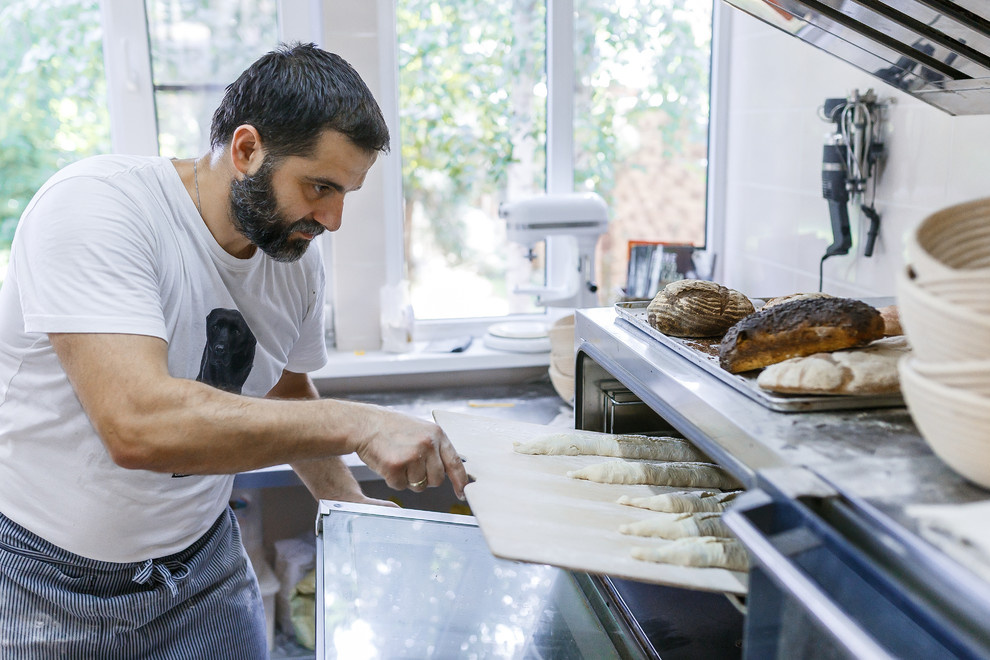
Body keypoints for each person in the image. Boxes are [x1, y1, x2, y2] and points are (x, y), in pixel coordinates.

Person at [0, 42, 468, 658]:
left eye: (346, 193)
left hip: (205, 571)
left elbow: (284, 390)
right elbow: (136, 425)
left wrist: (351, 510)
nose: (332, 219)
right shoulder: (97, 209)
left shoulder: (291, 260)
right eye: (320, 186)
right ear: (246, 150)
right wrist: (358, 423)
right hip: (43, 584)